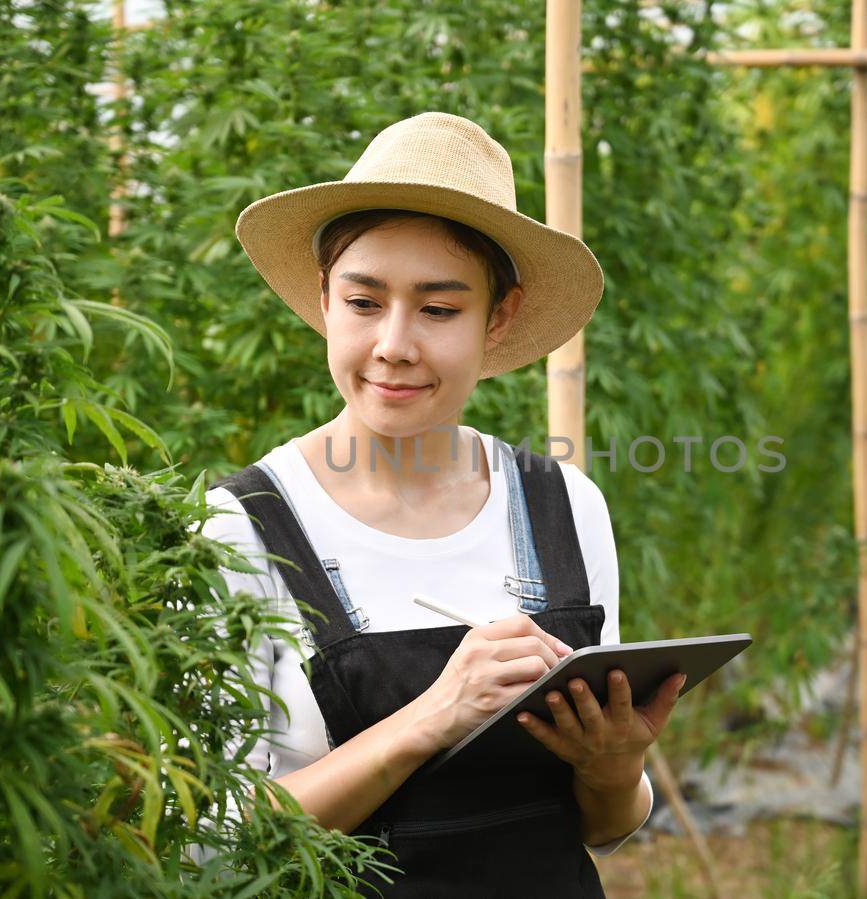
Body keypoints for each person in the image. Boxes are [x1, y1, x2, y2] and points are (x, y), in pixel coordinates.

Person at [200, 111, 685, 897]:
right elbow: (211, 842)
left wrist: (615, 763)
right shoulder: (240, 526)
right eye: (363, 302)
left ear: (501, 316)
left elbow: (604, 824)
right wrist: (433, 716)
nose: (394, 342)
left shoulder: (563, 507)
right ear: (325, 300)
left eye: (438, 308)